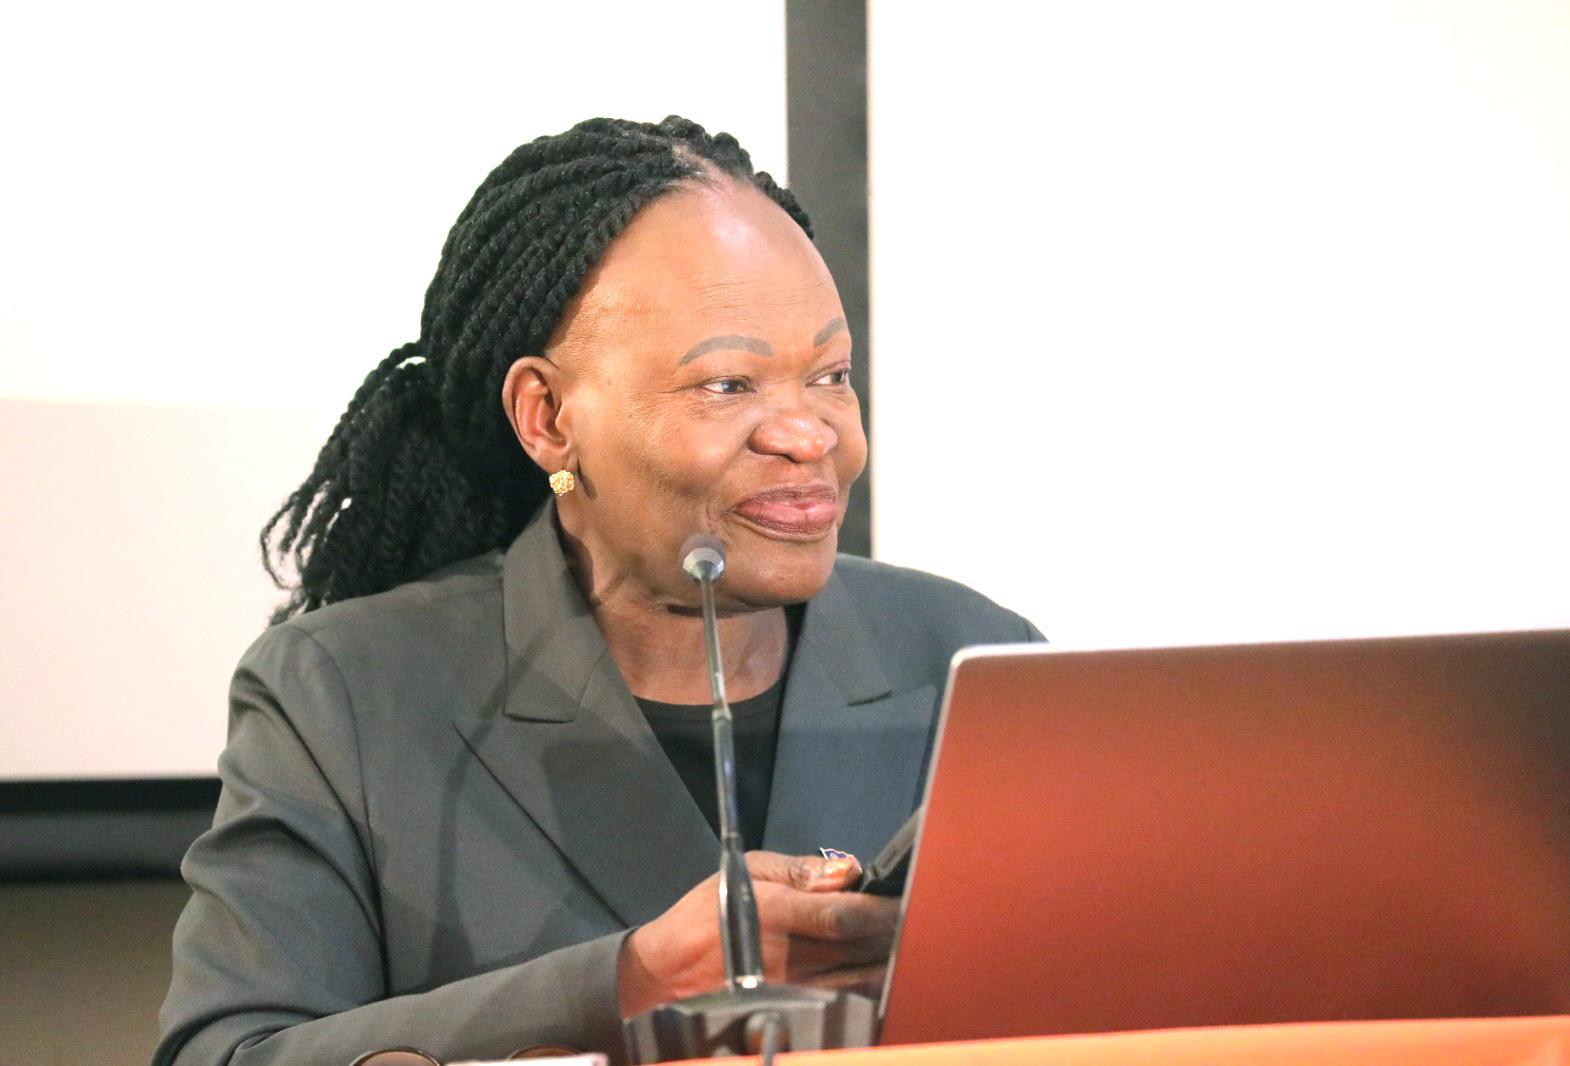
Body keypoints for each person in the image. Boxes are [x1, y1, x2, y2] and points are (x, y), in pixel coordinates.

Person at [155, 116, 1041, 1066]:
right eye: (727, 385)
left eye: (830, 376)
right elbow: (227, 1053)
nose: (809, 434)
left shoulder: (971, 659)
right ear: (547, 418)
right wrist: (628, 984)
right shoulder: (345, 694)